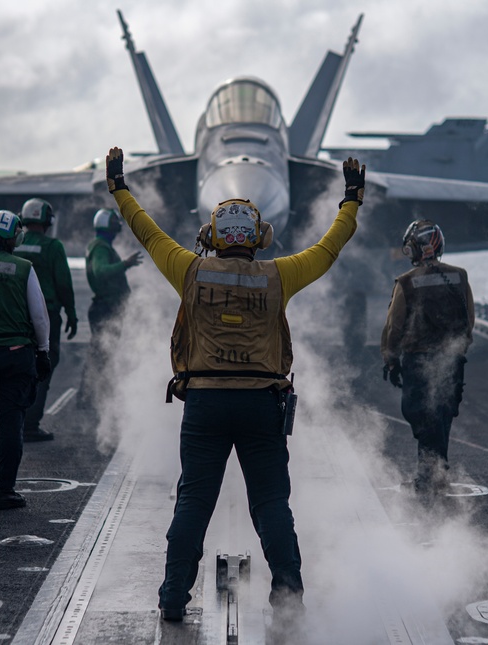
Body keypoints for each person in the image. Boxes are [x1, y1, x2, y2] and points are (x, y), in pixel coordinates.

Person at [102, 146, 365, 622]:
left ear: (211, 235)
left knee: (194, 503)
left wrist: (120, 188)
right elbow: (331, 245)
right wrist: (351, 199)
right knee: (271, 506)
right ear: (260, 237)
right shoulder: (279, 275)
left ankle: (172, 598)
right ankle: (288, 601)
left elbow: (147, 231)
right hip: (262, 405)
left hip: (204, 404)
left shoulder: (190, 268)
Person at [380, 220, 474, 500]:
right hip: (451, 360)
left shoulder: (407, 282)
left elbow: (394, 326)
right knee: (442, 415)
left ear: (419, 248)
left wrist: (390, 359)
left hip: (418, 360)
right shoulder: (460, 276)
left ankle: (428, 476)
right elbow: (469, 319)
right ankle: (437, 472)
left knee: (420, 415)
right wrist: (459, 351)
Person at [0, 210, 52, 510]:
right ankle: (4, 490)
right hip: (16, 356)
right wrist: (43, 351)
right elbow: (39, 316)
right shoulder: (24, 268)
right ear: (14, 237)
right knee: (11, 425)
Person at [14, 198, 78, 442]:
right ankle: (30, 424)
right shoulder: (53, 247)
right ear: (47, 221)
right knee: (44, 364)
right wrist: (71, 314)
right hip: (47, 315)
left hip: (17, 314)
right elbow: (63, 283)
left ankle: (14, 418)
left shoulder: (15, 243)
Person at [74, 207, 142, 409]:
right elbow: (101, 271)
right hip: (106, 308)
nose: (118, 228)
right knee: (101, 353)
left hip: (107, 306)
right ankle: (88, 398)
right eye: (115, 224)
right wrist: (125, 264)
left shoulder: (100, 245)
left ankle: (91, 396)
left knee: (102, 352)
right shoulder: (101, 247)